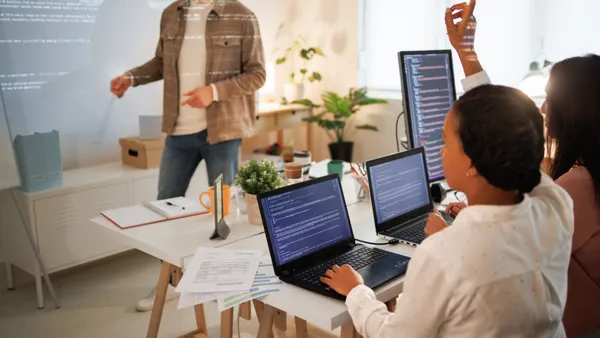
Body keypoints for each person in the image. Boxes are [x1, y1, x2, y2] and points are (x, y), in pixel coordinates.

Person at [320, 1, 575, 337]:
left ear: (471, 161)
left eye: (445, 142)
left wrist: (356, 291)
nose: (439, 151)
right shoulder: (555, 205)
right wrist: (466, 54)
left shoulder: (442, 254)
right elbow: (505, 127)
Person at [441, 3, 600, 336]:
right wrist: (467, 53)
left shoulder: (576, 187)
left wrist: (446, 237)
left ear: (575, 111)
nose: (543, 108)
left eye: (549, 99)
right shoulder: (585, 179)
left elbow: (503, 259)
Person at [110, 0, 266, 312]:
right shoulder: (171, 13)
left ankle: (225, 287)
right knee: (165, 207)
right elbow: (160, 62)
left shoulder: (242, 15)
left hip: (222, 131)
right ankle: (169, 283)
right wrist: (132, 77)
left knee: (221, 214)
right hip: (178, 132)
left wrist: (215, 91)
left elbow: (257, 74)